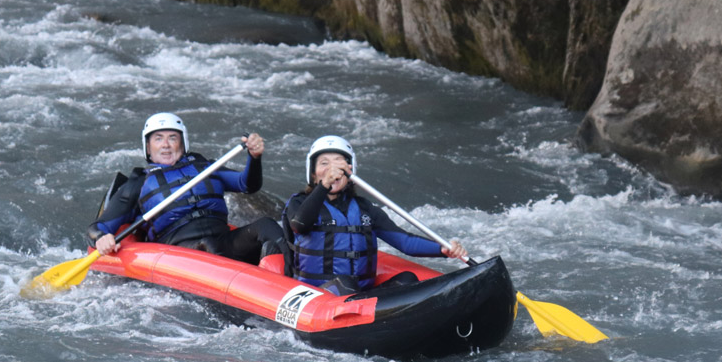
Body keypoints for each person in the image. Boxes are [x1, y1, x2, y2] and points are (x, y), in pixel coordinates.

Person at [88, 112, 284, 263]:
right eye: (158, 139)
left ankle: (293, 280)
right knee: (208, 246)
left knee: (266, 225)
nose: (166, 145)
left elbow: (247, 184)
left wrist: (254, 157)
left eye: (172, 138)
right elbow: (99, 226)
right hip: (179, 253)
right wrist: (102, 238)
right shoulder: (138, 184)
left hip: (223, 241)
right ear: (148, 147)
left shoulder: (205, 167)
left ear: (182, 143)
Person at [283, 135, 467, 294]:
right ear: (313, 174)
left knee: (408, 279)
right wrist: (324, 186)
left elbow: (405, 242)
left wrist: (442, 250)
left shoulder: (365, 209)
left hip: (360, 294)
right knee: (346, 284)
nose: (332, 169)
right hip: (317, 295)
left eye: (338, 162)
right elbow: (299, 224)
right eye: (324, 163)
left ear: (349, 171)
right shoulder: (299, 202)